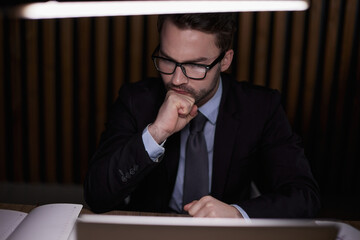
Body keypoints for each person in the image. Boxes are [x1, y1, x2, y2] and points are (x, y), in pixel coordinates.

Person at [84, 13, 321, 218]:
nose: (176, 80)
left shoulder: (260, 107)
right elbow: (97, 195)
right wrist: (156, 134)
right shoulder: (136, 101)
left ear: (225, 60)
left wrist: (238, 214)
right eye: (167, 60)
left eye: (196, 65)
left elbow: (304, 196)